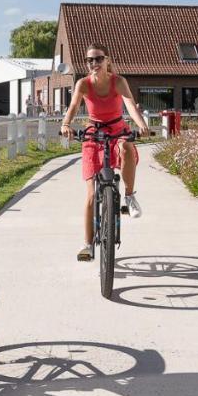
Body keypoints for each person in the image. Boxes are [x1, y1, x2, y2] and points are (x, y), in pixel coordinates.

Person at [59, 43, 150, 261]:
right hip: (94, 134)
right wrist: (65, 124)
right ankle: (87, 244)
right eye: (90, 60)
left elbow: (130, 105)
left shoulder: (118, 82)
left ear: (107, 60)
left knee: (127, 147)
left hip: (117, 129)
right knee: (91, 194)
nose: (94, 63)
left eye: (98, 59)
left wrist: (142, 125)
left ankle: (129, 196)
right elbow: (72, 107)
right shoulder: (83, 84)